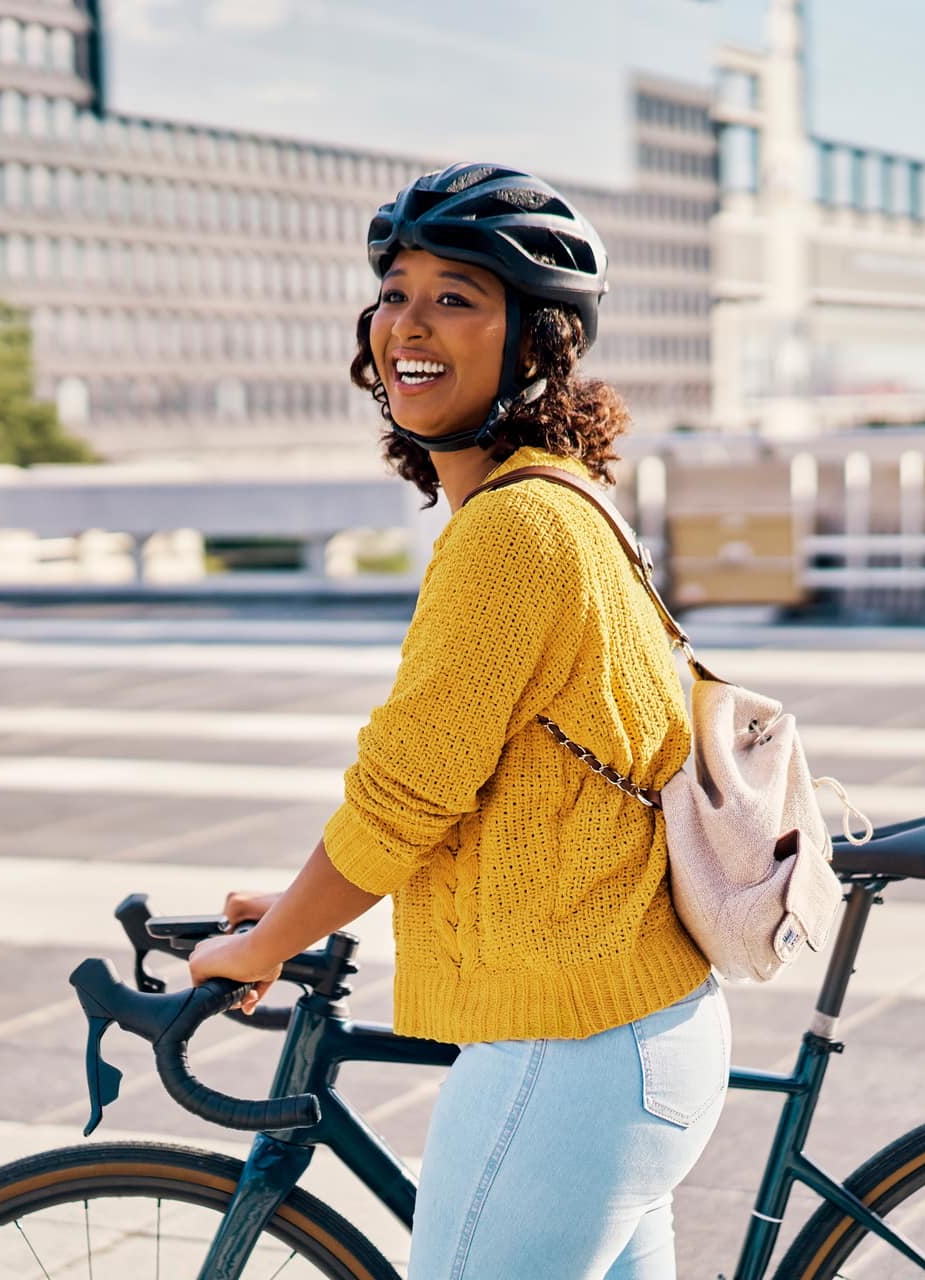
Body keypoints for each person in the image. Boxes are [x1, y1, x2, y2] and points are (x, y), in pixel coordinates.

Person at [188, 162, 730, 1279]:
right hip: (627, 1039)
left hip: (569, 1054)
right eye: (395, 291)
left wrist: (264, 943)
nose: (409, 323)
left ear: (534, 342)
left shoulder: (512, 533)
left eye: (455, 297)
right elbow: (470, 792)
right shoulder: (557, 503)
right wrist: (290, 906)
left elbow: (405, 796)